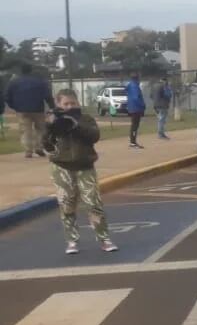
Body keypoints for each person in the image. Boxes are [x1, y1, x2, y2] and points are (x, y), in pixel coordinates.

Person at [42, 88, 117, 256]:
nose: (69, 106)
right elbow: (46, 144)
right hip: (61, 168)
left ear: (78, 102)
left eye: (72, 103)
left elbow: (94, 136)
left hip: (85, 167)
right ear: (58, 104)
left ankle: (104, 239)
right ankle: (72, 241)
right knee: (67, 205)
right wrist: (50, 127)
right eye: (65, 104)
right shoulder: (53, 119)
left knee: (93, 204)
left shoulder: (86, 119)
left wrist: (75, 125)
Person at [4, 62, 53, 158]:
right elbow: (48, 95)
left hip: (22, 109)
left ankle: (28, 150)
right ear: (31, 70)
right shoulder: (40, 81)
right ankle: (39, 147)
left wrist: (14, 106)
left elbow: (7, 96)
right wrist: (52, 107)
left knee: (25, 130)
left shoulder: (14, 82)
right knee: (40, 129)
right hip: (38, 108)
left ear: (21, 71)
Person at [124, 74, 146, 148]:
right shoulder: (135, 86)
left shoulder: (130, 85)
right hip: (136, 108)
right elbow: (136, 98)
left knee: (134, 125)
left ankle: (133, 141)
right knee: (135, 125)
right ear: (137, 79)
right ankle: (133, 142)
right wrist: (142, 105)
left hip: (132, 107)